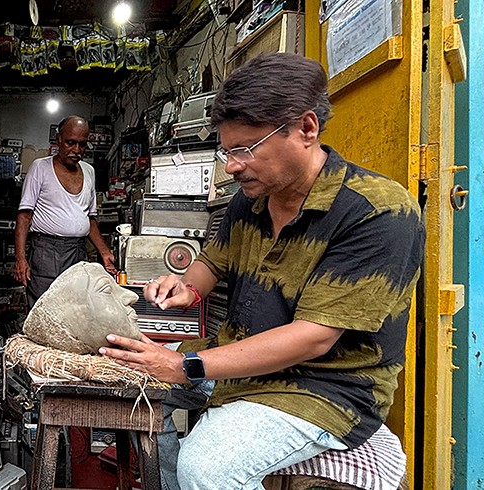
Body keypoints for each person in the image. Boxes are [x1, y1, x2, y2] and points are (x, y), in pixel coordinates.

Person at [99, 52, 425, 489]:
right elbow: (213, 262)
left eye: (245, 149)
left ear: (307, 129)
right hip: (241, 358)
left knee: (208, 468)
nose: (232, 165)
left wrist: (187, 366)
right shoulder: (250, 198)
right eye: (226, 150)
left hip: (324, 388)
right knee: (127, 380)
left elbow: (314, 336)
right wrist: (187, 287)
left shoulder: (377, 211)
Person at [14, 115, 117, 308]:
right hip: (46, 250)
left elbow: (90, 219)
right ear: (58, 139)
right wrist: (20, 259)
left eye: (82, 145)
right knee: (44, 307)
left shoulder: (89, 171)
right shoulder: (40, 168)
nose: (77, 150)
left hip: (78, 251)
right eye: (71, 143)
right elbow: (24, 217)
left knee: (75, 308)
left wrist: (104, 252)